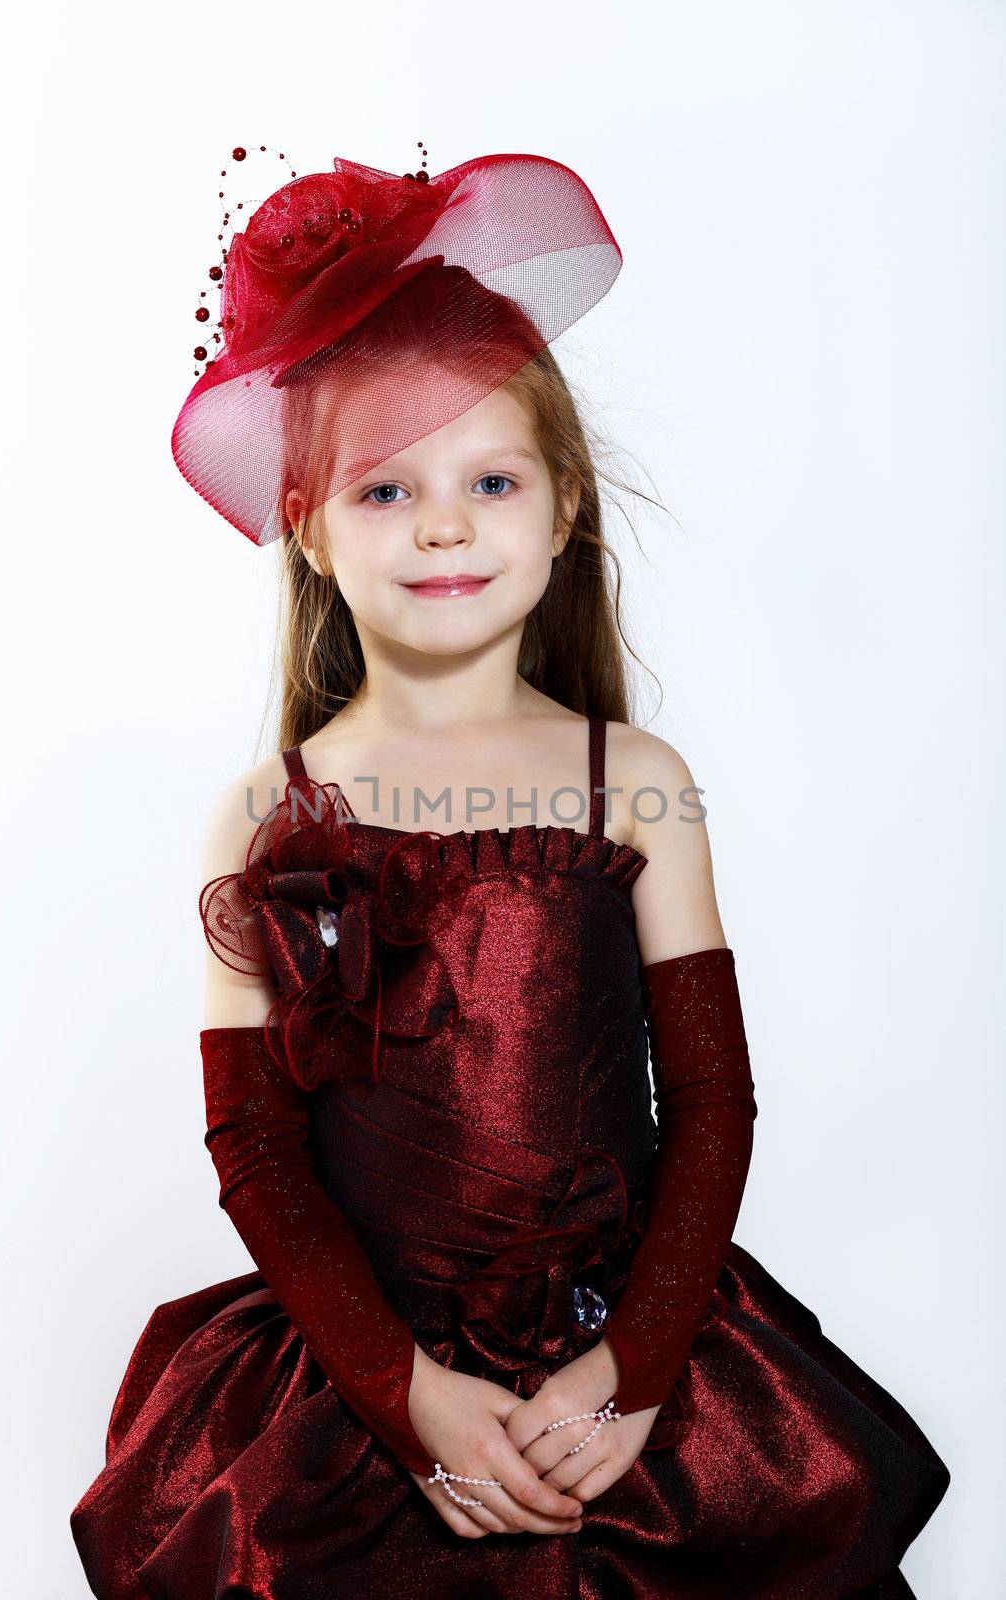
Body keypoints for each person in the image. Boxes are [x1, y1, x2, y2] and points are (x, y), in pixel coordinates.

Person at [70, 149, 949, 1598]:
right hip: (373, 1396)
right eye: (383, 489)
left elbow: (712, 1100)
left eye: (488, 477)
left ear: (562, 507)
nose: (441, 523)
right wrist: (405, 1396)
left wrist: (636, 1372)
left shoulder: (638, 783)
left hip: (627, 1383)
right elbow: (258, 1154)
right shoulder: (265, 816)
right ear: (306, 528)